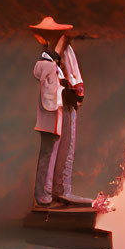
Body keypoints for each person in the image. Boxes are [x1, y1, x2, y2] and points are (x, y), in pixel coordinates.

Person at [29, 15, 92, 208]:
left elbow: (73, 74)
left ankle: (62, 190)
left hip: (66, 102)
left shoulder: (67, 52)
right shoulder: (45, 59)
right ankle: (44, 195)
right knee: (50, 147)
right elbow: (41, 72)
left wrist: (77, 92)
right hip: (52, 106)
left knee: (67, 145)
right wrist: (57, 52)